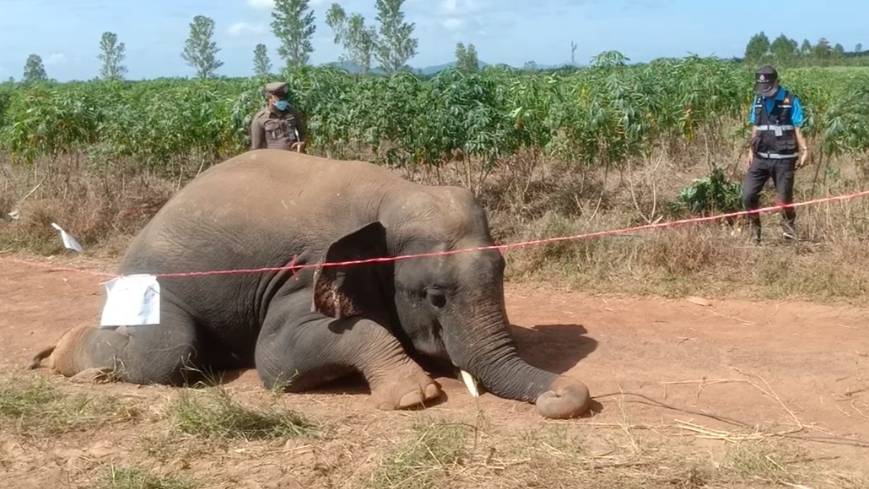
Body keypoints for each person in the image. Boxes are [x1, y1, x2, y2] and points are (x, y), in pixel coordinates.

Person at [742, 65, 809, 243]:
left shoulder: (790, 100)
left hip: (784, 159)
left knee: (784, 198)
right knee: (747, 194)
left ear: (777, 82)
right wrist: (750, 151)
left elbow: (797, 126)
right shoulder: (758, 101)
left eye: (768, 88)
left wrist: (805, 150)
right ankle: (754, 231)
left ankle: (788, 232)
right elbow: (755, 128)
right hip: (761, 158)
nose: (765, 92)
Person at [250, 81, 306, 152]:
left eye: (284, 96)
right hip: (274, 160)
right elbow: (256, 148)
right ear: (269, 97)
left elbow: (303, 133)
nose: (283, 99)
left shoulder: (292, 112)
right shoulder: (260, 118)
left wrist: (302, 143)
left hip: (294, 156)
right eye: (279, 96)